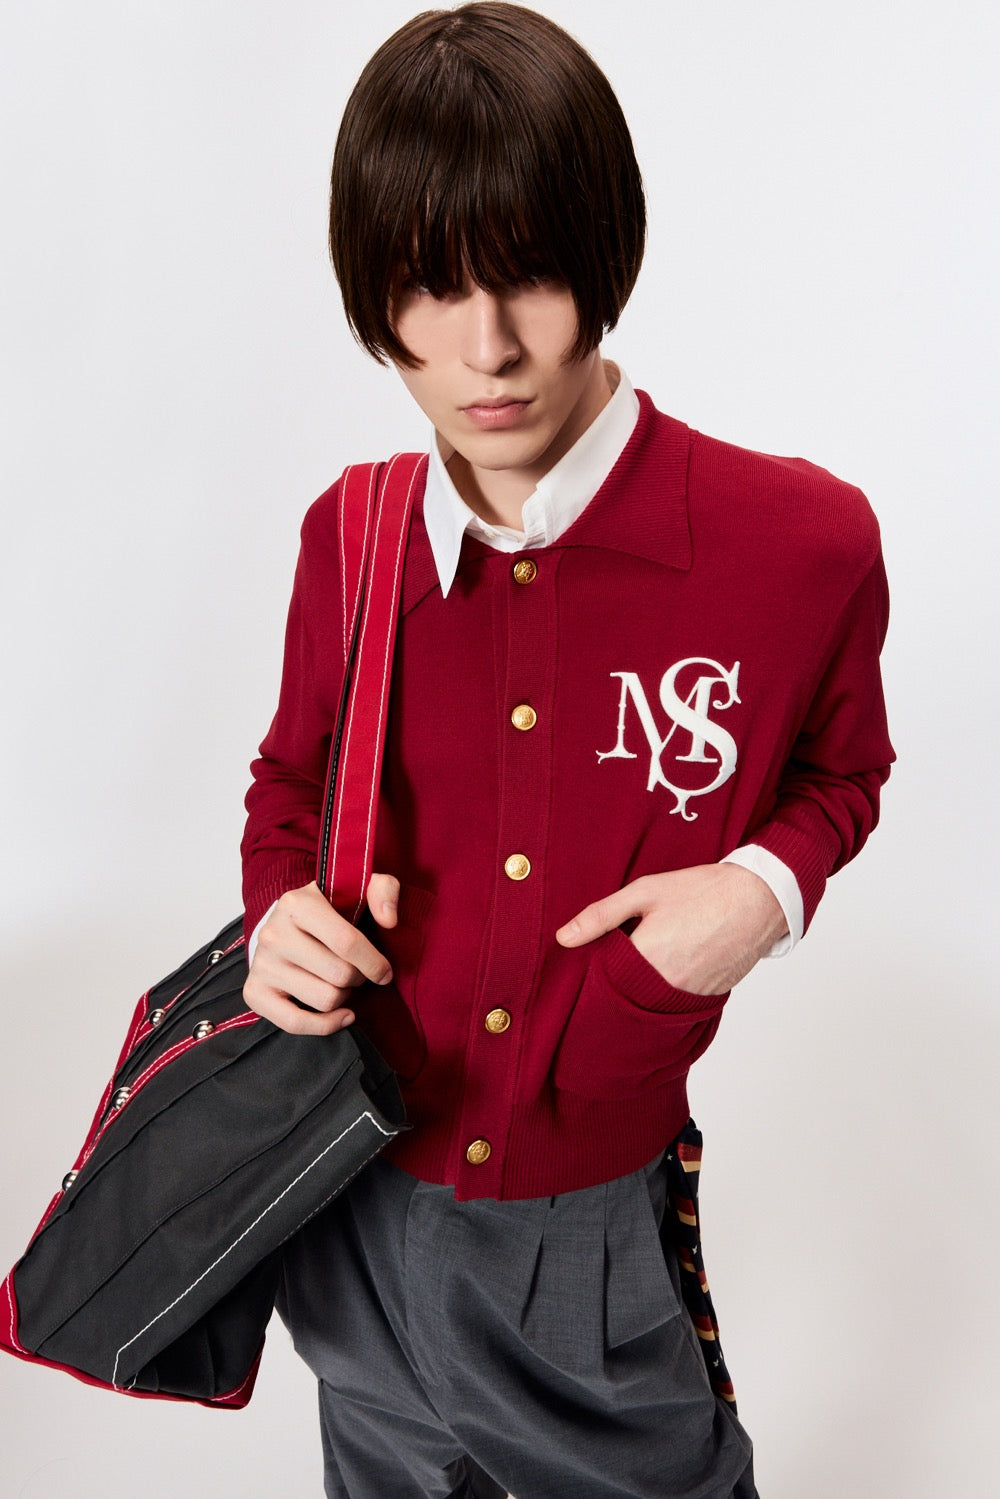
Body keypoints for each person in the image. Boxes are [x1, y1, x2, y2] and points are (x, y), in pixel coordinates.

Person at [240, 5, 894, 1496]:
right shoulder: (349, 538)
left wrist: (760, 895)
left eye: (529, 273)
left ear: (605, 252)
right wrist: (279, 912)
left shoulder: (798, 542)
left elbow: (844, 773)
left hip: (590, 1230)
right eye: (429, 287)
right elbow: (291, 785)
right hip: (346, 1211)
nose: (488, 350)